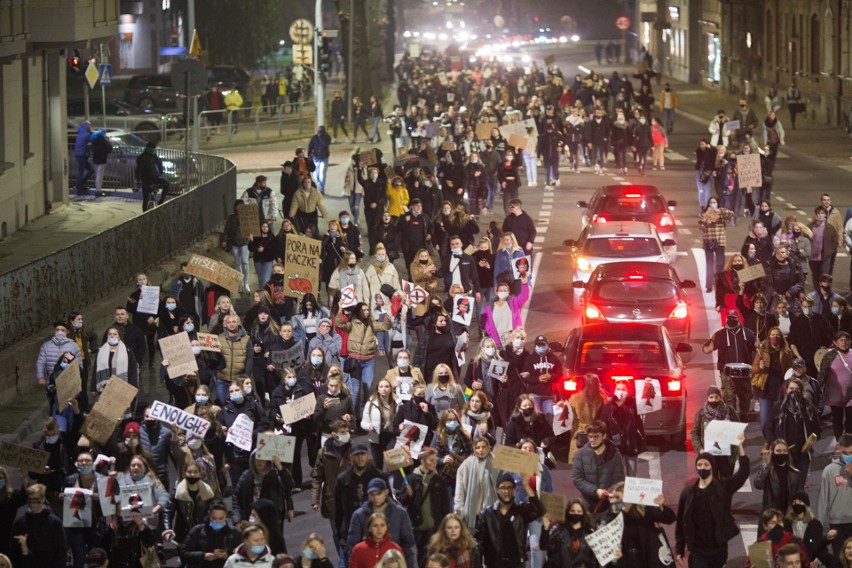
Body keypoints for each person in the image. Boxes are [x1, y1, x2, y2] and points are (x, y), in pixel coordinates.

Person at [675, 431, 749, 567]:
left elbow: (743, 473)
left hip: (718, 550)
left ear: (712, 467)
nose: (702, 468)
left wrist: (740, 446)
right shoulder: (688, 492)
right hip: (697, 551)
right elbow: (680, 523)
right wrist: (679, 550)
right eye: (700, 465)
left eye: (706, 465)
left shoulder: (724, 486)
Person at [474, 472, 544, 567]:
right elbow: (479, 544)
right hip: (494, 563)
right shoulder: (487, 514)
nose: (506, 491)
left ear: (514, 490)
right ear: (497, 490)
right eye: (503, 488)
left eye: (510, 488)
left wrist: (526, 486)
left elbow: (538, 511)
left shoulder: (521, 512)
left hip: (516, 563)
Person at [347, 478, 418, 568]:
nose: (376, 498)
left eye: (378, 494)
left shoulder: (400, 514)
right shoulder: (359, 515)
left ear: (386, 492)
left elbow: (408, 545)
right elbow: (352, 546)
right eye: (372, 494)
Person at [702, 310, 757, 418]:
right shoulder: (719, 335)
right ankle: (732, 419)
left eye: (734, 318)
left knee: (745, 397)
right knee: (729, 398)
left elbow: (757, 347)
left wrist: (758, 344)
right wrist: (710, 342)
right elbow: (706, 350)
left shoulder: (748, 333)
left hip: (744, 373)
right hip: (727, 373)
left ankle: (744, 417)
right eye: (730, 318)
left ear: (738, 319)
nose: (732, 320)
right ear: (726, 319)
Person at [571, 420, 625, 510]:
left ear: (604, 436)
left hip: (608, 503)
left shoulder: (615, 454)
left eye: (596, 437)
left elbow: (619, 479)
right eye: (590, 436)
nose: (592, 440)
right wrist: (595, 491)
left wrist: (609, 492)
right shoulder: (580, 454)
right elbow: (577, 478)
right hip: (587, 502)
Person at [9, 483, 66, 568]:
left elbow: (60, 552)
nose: (32, 503)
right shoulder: (19, 523)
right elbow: (14, 551)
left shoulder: (54, 523)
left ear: (43, 499)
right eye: (30, 500)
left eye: (36, 500)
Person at [753, 327, 794, 439]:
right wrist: (760, 367)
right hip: (766, 390)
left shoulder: (786, 352)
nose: (774, 337)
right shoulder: (763, 351)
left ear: (781, 337)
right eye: (772, 335)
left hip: (780, 391)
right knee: (764, 423)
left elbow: (790, 369)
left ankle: (777, 443)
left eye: (777, 335)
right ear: (768, 337)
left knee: (779, 420)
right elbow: (754, 368)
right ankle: (770, 442)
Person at [690, 386, 740, 480]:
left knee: (726, 483)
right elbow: (694, 433)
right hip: (709, 456)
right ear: (707, 398)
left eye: (716, 397)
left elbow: (739, 430)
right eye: (711, 397)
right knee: (712, 483)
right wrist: (700, 449)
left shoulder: (729, 411)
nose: (714, 400)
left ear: (720, 397)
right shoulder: (701, 414)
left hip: (727, 456)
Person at [599, 380, 646, 477]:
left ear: (628, 391)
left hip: (631, 445)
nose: (620, 391)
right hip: (615, 446)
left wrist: (648, 385)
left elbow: (650, 401)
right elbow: (602, 426)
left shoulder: (635, 406)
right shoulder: (608, 408)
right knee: (616, 475)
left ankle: (629, 492)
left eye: (623, 389)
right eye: (618, 389)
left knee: (632, 474)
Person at [179, 501, 244, 567]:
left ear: (226, 516)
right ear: (209, 516)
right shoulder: (197, 530)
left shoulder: (235, 533)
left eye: (221, 518)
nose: (217, 521)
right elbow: (184, 552)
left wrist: (226, 556)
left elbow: (242, 557)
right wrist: (203, 556)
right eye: (214, 518)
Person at [817, 332, 852, 442]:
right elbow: (822, 374)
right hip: (835, 394)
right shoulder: (829, 356)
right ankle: (839, 441)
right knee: (837, 419)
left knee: (851, 419)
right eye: (841, 340)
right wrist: (818, 390)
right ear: (835, 343)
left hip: (851, 394)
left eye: (846, 340)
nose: (844, 342)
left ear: (850, 341)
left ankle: (849, 442)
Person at [788, 298, 833, 380]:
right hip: (806, 359)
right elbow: (792, 342)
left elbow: (829, 336)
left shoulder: (820, 319)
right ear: (801, 306)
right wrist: (799, 357)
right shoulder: (796, 323)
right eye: (805, 306)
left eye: (809, 306)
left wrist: (826, 349)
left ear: (812, 306)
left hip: (821, 357)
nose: (807, 309)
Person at [568, 373, 609, 462]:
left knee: (578, 464)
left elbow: (570, 418)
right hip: (595, 432)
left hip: (579, 433)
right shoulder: (601, 399)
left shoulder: (575, 398)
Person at [699, 198, 735, 293]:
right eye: (711, 202)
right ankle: (709, 285)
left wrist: (720, 211)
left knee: (720, 264)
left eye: (714, 202)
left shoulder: (721, 212)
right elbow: (700, 226)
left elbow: (731, 215)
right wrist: (706, 223)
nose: (712, 204)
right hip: (709, 241)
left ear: (717, 203)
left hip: (720, 241)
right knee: (709, 264)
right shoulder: (705, 213)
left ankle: (719, 283)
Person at [36, 321, 83, 386]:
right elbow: (40, 363)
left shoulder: (73, 346)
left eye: (63, 330)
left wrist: (79, 379)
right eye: (57, 330)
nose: (60, 332)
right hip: (51, 382)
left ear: (67, 332)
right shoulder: (46, 346)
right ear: (54, 331)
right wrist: (40, 377)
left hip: (69, 382)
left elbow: (79, 363)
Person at [808, 206, 839, 290]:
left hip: (825, 257)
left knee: (825, 276)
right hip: (813, 257)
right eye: (818, 213)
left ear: (825, 215)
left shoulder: (830, 228)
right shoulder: (810, 226)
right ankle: (817, 293)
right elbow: (805, 239)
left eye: (822, 213)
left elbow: (835, 242)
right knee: (815, 276)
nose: (820, 215)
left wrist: (830, 252)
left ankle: (826, 294)